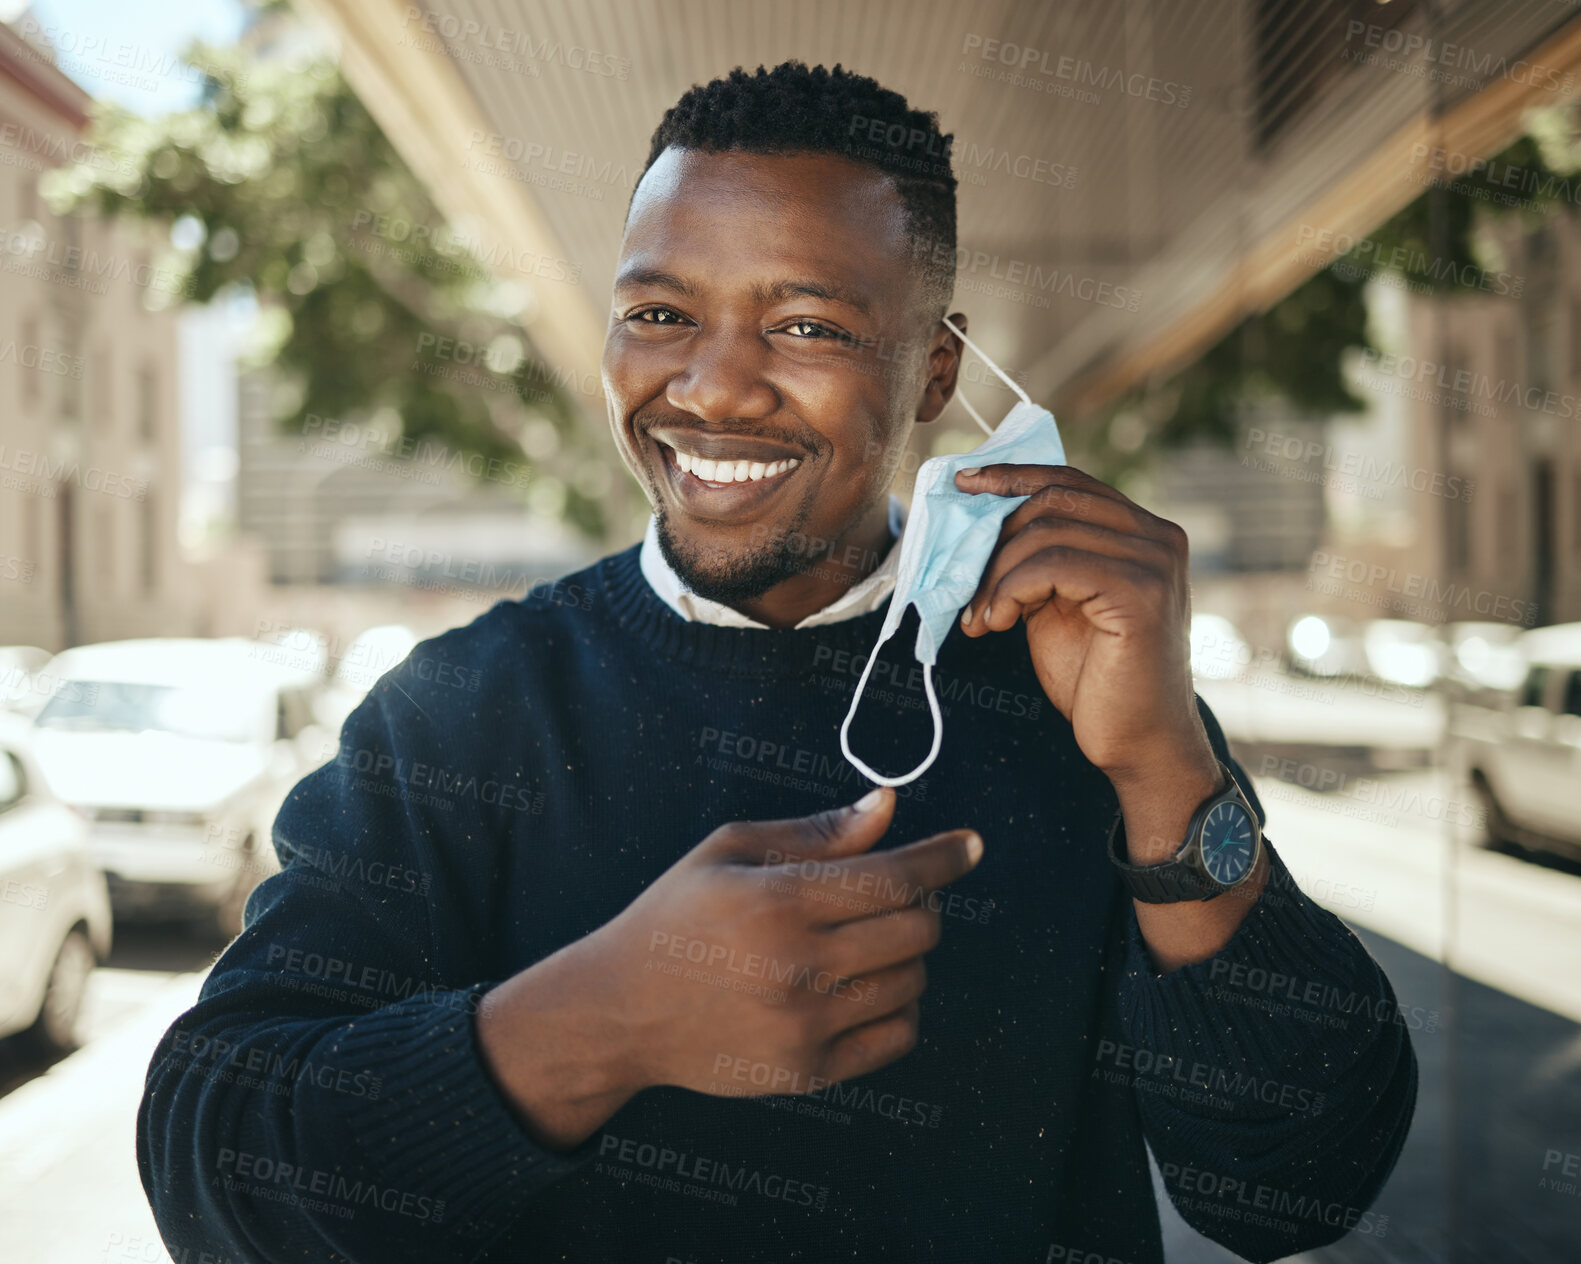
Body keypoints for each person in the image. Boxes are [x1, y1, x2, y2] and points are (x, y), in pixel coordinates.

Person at [138, 61, 1415, 1263]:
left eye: (804, 325)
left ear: (936, 370)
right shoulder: (461, 714)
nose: (714, 387)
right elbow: (210, 1167)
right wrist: (598, 1026)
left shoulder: (1077, 684)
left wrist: (1163, 768)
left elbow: (1302, 1181)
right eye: (658, 312)